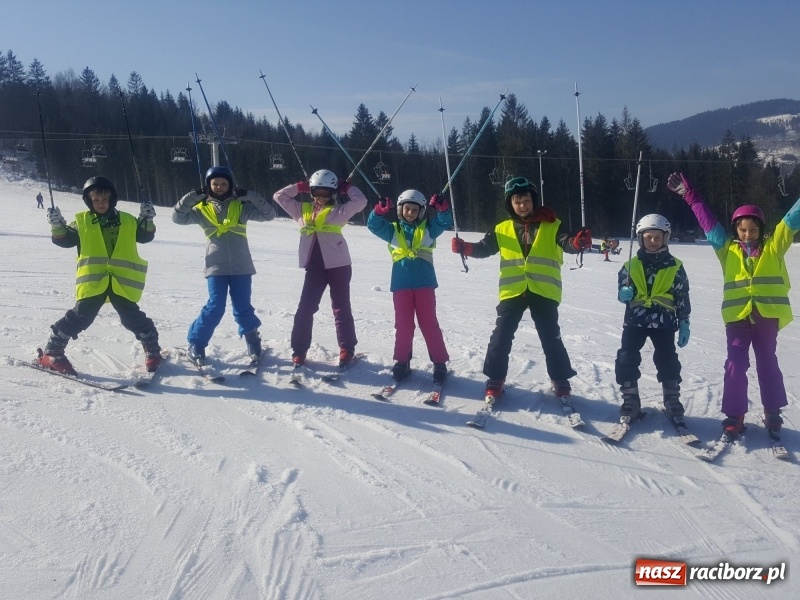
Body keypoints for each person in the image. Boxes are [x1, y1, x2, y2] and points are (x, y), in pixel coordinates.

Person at [668, 172, 800, 436]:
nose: (748, 234)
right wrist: (690, 196)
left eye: (752, 229)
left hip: (766, 317)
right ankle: (735, 414)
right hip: (737, 318)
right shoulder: (726, 250)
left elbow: (791, 220)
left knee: (767, 362)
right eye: (742, 229)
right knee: (735, 365)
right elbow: (708, 223)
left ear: (762, 229)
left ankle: (772, 411)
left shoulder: (774, 247)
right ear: (736, 230)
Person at [450, 176, 592, 403]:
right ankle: (495, 379)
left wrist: (578, 243)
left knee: (551, 338)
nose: (522, 205)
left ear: (533, 200)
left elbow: (566, 242)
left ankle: (560, 379)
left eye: (526, 200)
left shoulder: (552, 224)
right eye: (517, 201)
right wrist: (465, 248)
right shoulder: (502, 228)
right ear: (510, 204)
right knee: (501, 337)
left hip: (543, 291)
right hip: (513, 290)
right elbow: (485, 248)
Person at [36, 176, 163, 374]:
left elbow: (145, 236)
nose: (101, 204)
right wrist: (57, 226)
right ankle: (52, 352)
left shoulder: (127, 220)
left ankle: (153, 351)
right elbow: (65, 240)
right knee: (81, 317)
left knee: (131, 318)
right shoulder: (81, 221)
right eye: (96, 200)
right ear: (89, 201)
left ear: (112, 199)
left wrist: (148, 220)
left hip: (121, 281)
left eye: (104, 200)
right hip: (94, 280)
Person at [172, 166, 276, 364]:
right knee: (215, 307)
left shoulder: (241, 207)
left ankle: (252, 340)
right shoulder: (202, 210)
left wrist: (250, 195)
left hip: (241, 267)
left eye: (223, 183)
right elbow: (177, 217)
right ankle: (197, 343)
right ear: (208, 186)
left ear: (230, 186)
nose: (219, 187)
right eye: (215, 184)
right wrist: (192, 196)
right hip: (216, 267)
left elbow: (269, 214)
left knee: (243, 307)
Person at [273, 170, 368, 367]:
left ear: (333, 193)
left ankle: (347, 349)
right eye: (317, 192)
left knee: (341, 308)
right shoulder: (301, 209)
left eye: (326, 193)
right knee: (305, 308)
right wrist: (300, 186)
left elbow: (361, 201)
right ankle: (299, 350)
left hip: (339, 266)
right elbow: (279, 196)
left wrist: (347, 187)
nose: (321, 197)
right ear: (311, 192)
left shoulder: (339, 211)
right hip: (315, 268)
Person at [367, 189, 452, 384]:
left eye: (415, 210)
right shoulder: (393, 230)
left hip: (425, 285)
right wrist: (379, 211)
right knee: (404, 325)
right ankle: (402, 361)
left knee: (429, 324)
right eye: (407, 209)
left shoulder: (429, 229)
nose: (410, 213)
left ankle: (440, 362)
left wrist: (443, 207)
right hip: (401, 286)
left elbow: (444, 221)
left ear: (421, 212)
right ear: (400, 209)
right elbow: (373, 225)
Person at [615, 214, 691, 426]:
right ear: (641, 239)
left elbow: (682, 295)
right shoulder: (630, 265)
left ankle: (672, 397)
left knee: (667, 358)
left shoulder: (675, 266)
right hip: (635, 320)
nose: (653, 242)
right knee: (626, 357)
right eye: (648, 237)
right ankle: (630, 398)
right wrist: (623, 294)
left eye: (658, 237)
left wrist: (684, 321)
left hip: (664, 321)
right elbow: (621, 289)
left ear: (665, 238)